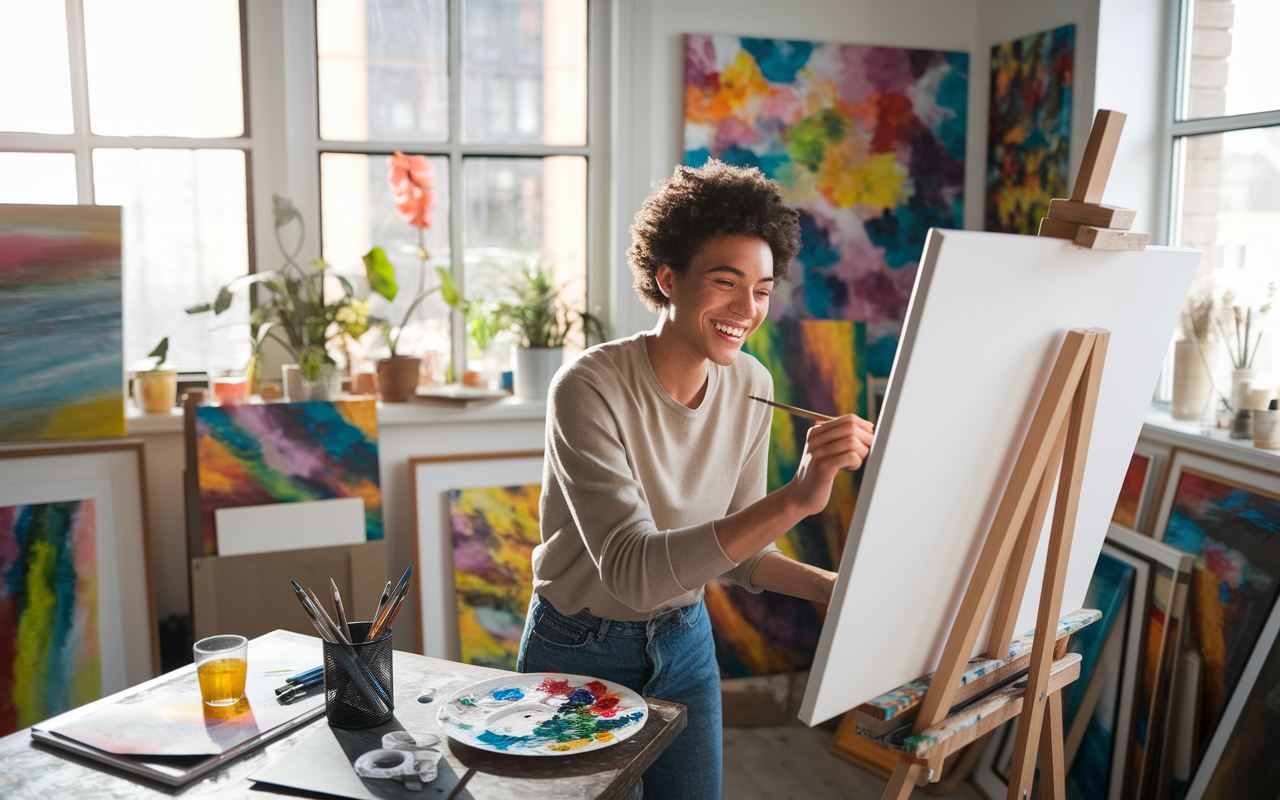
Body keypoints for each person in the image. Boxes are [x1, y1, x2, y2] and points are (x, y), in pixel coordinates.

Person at [516, 160, 875, 799]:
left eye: (763, 289)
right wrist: (796, 498)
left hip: (684, 642)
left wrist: (836, 588)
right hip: (578, 649)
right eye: (725, 281)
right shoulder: (588, 388)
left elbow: (739, 558)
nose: (747, 308)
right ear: (668, 278)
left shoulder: (753, 385)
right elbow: (634, 571)